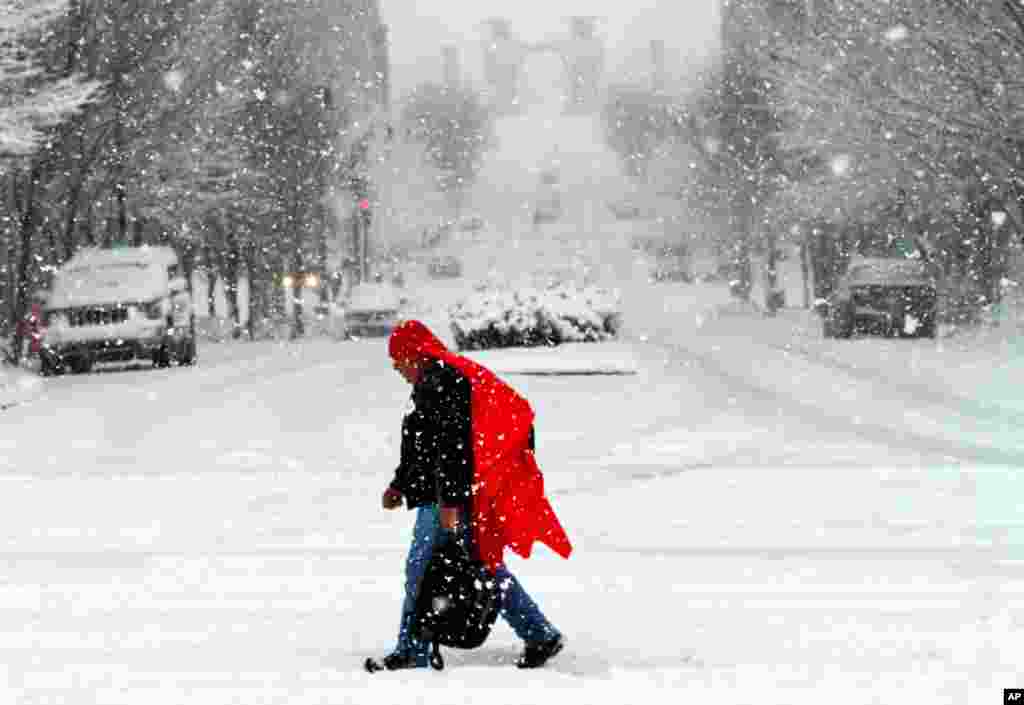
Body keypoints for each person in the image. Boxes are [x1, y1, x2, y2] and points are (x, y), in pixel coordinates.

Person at [365, 319, 572, 672]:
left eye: (399, 359)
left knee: (424, 568)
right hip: (445, 495)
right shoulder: (431, 382)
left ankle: (413, 650)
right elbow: (422, 447)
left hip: (448, 498)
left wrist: (451, 504)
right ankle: (539, 633)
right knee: (481, 567)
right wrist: (400, 484)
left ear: (415, 353)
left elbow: (455, 449)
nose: (397, 368)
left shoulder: (445, 380)